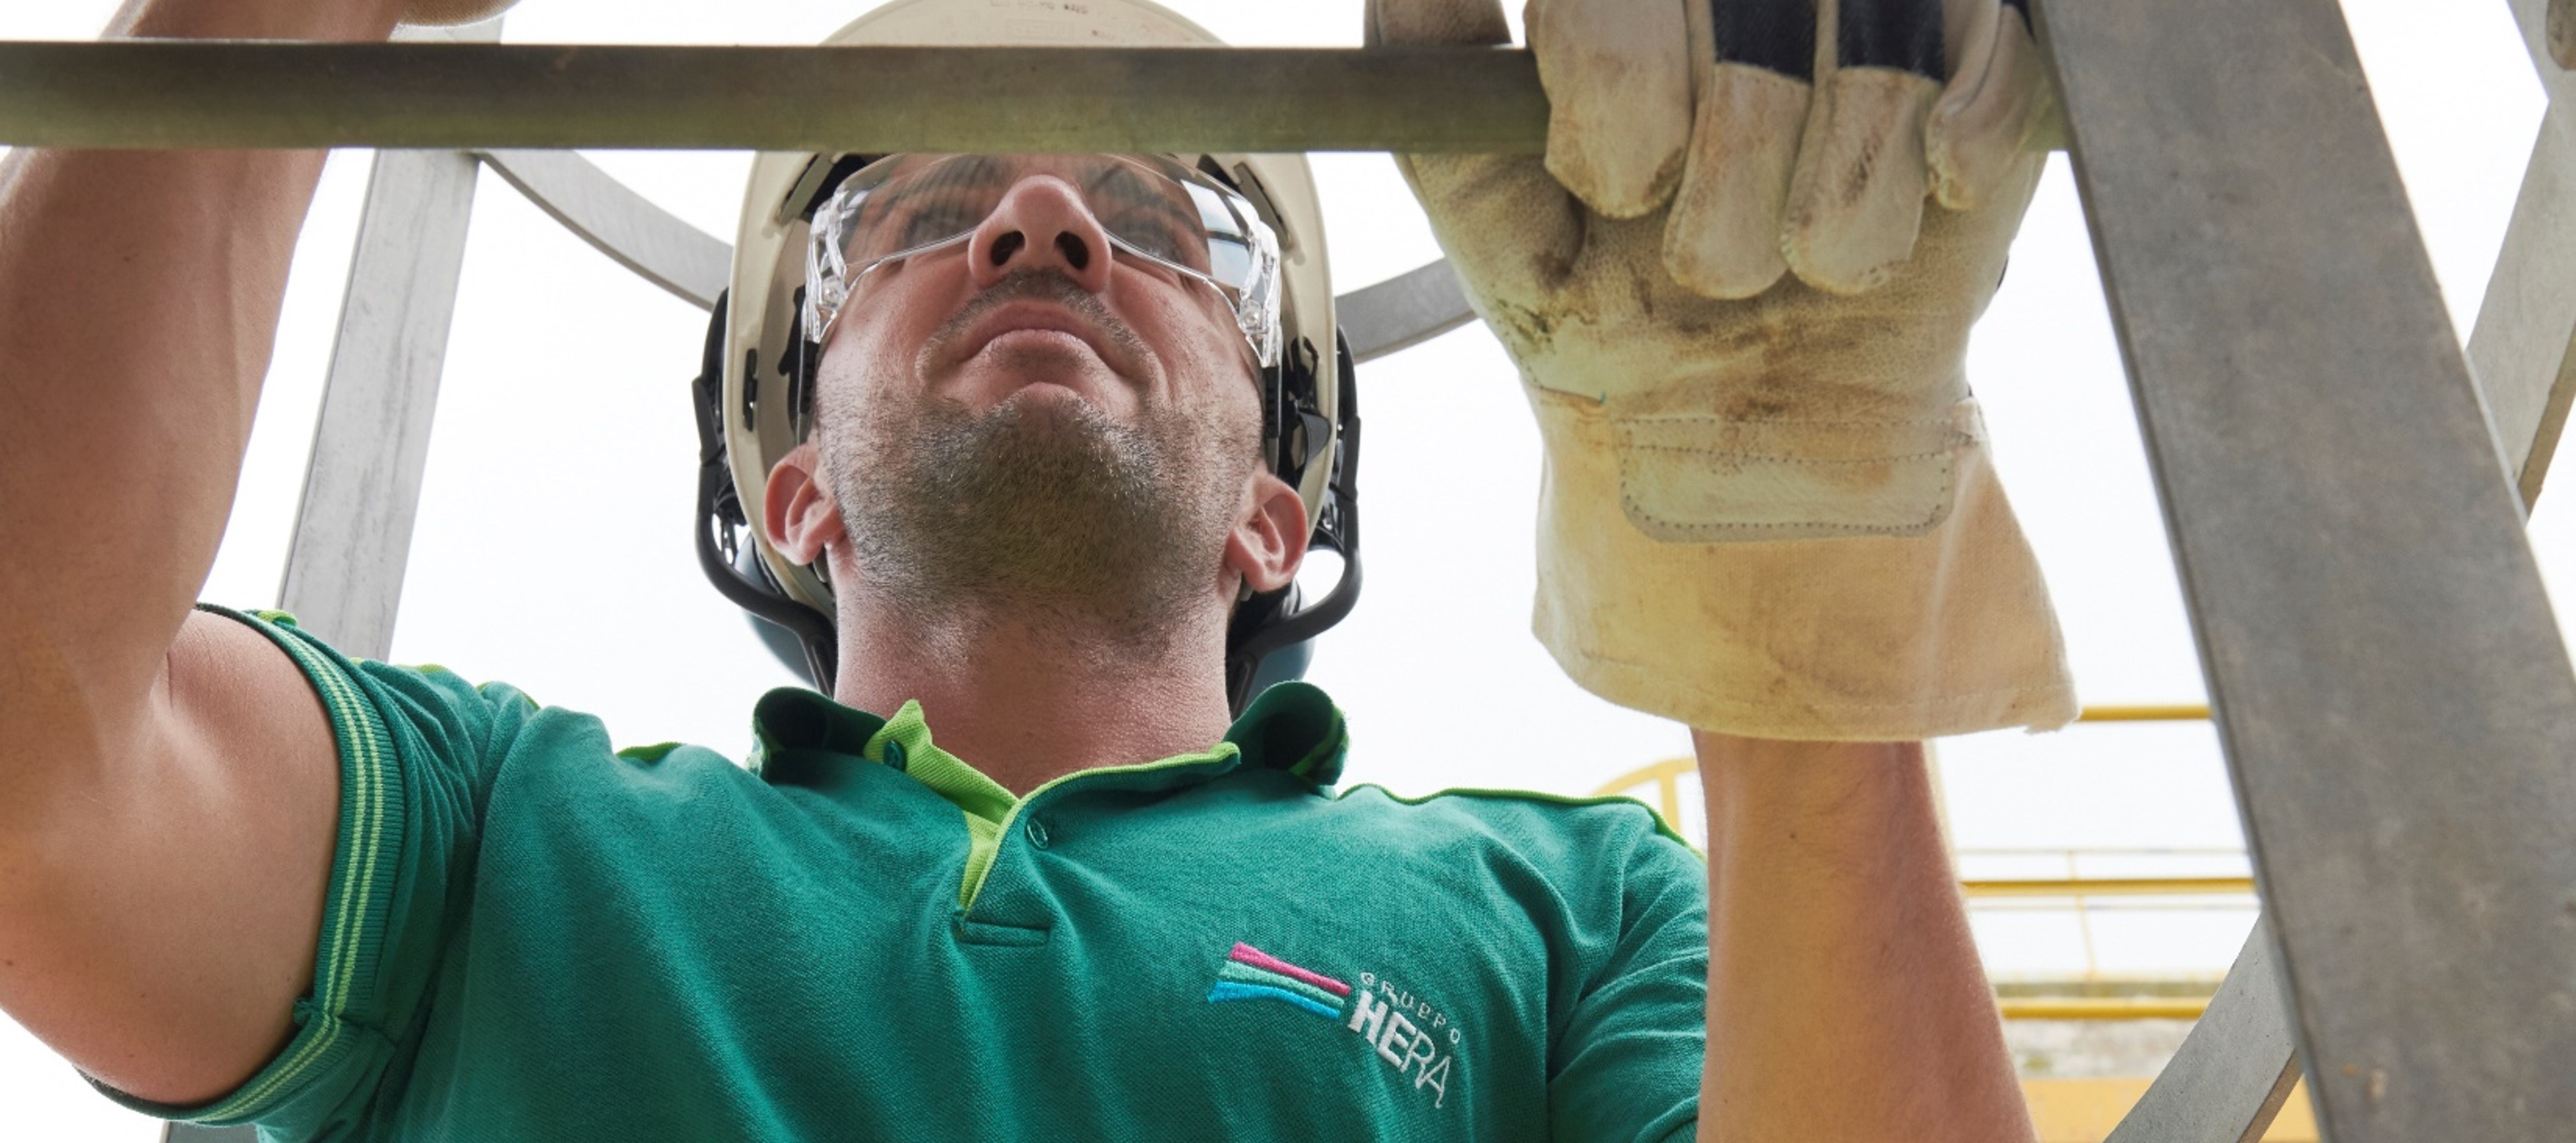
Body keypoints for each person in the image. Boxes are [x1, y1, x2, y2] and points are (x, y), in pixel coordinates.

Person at [0, 0, 2075, 1137]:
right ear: (796, 486)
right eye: (921, 210)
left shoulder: (1566, 910)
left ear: (1278, 511)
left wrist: (1776, 553)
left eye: (1171, 231)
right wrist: (271, 10)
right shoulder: (489, 839)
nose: (1046, 233)